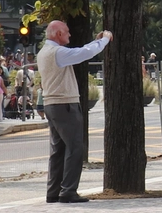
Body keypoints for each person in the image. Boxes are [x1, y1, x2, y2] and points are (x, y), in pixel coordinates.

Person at [37, 22, 112, 203]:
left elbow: (80, 51)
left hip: (52, 104)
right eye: (67, 32)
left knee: (58, 149)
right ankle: (68, 191)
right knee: (75, 147)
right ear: (59, 33)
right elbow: (83, 53)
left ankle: (53, 191)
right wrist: (104, 41)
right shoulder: (58, 53)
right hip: (65, 104)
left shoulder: (43, 52)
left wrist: (95, 43)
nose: (69, 35)